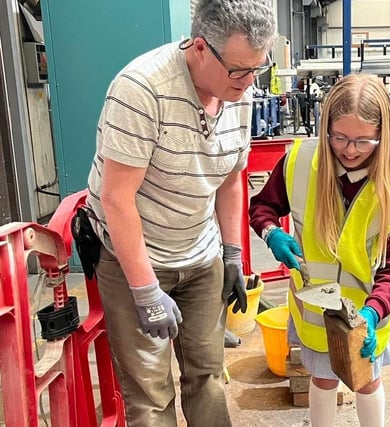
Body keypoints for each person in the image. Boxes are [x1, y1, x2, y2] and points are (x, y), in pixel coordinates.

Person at [82, 0, 276, 425]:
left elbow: (229, 178)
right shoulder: (141, 90)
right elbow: (117, 198)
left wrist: (231, 253)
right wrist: (146, 290)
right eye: (239, 70)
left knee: (206, 376)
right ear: (201, 48)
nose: (248, 83)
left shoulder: (237, 92)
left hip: (200, 253)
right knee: (150, 396)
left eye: (257, 69)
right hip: (136, 256)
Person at [249, 73, 390, 426]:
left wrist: (372, 315)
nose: (349, 149)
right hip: (313, 310)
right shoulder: (300, 162)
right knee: (323, 378)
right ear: (325, 127)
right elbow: (261, 208)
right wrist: (271, 235)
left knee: (367, 381)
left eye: (363, 141)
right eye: (339, 137)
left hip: (364, 313)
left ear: (382, 135)